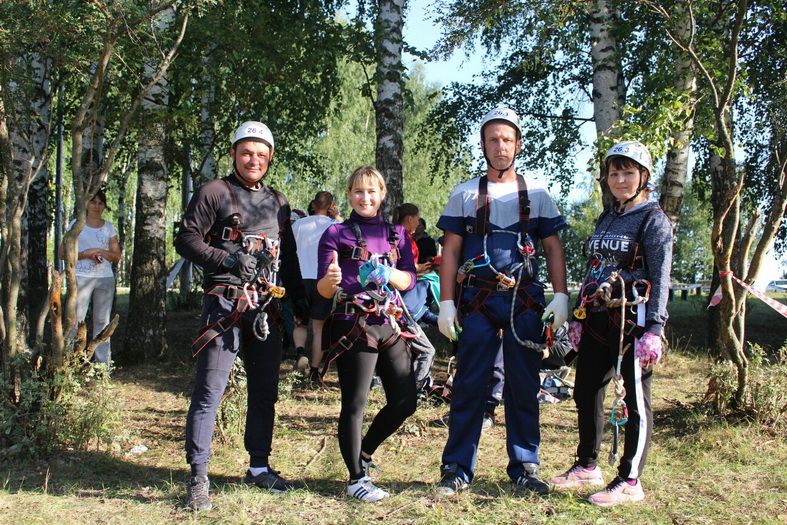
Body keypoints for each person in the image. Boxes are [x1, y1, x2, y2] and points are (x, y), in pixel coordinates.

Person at [174, 121, 308, 512]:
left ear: (269, 159)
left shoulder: (279, 202)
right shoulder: (215, 192)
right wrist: (227, 258)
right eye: (247, 152)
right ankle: (198, 476)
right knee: (208, 393)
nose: (254, 160)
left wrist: (301, 303)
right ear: (234, 153)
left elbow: (291, 257)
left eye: (261, 155)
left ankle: (259, 466)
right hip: (224, 307)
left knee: (265, 392)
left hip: (265, 310)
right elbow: (186, 238)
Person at [435, 107, 569, 496]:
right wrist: (446, 302)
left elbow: (554, 248)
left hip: (524, 302)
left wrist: (561, 295)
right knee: (470, 384)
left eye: (507, 139)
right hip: (476, 300)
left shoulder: (538, 194)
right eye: (492, 139)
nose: (500, 146)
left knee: (523, 385)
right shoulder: (463, 193)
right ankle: (457, 467)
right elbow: (451, 250)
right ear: (482, 145)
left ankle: (525, 465)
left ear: (518, 144)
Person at [550, 141, 672, 506]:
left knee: (635, 401)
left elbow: (662, 276)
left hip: (633, 322)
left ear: (644, 177)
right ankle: (587, 464)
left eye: (628, 172)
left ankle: (630, 479)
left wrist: (655, 328)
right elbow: (594, 269)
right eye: (614, 173)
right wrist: (576, 315)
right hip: (597, 319)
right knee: (585, 390)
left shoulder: (654, 220)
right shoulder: (608, 217)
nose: (620, 179)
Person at [316, 166, 418, 502]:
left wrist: (389, 271)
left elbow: (409, 280)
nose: (365, 198)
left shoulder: (397, 235)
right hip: (353, 323)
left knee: (405, 401)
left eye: (371, 191)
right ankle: (356, 480)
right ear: (349, 195)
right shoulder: (336, 233)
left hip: (389, 323)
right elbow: (325, 289)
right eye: (358, 192)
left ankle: (365, 453)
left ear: (382, 194)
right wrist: (332, 281)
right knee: (355, 403)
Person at [60, 189, 122, 365]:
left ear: (104, 206)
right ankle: (70, 364)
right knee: (76, 320)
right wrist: (85, 254)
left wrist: (101, 252)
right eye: (93, 202)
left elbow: (116, 256)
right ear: (86, 204)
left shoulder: (108, 228)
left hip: (104, 278)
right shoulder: (76, 225)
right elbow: (62, 253)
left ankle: (103, 367)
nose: (96, 206)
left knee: (103, 321)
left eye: (100, 203)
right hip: (81, 276)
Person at [292, 190, 340, 380]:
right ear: (330, 206)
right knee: (319, 328)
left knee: (300, 323)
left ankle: (300, 352)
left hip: (300, 278)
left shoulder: (298, 225)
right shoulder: (336, 226)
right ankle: (314, 371)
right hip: (324, 280)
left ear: (312, 205)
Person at [394, 203, 438, 392]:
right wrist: (418, 269)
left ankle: (408, 386)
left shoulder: (398, 235)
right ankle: (415, 389)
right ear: (410, 219)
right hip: (403, 302)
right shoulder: (404, 238)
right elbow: (402, 267)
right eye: (418, 218)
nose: (419, 222)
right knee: (425, 350)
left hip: (401, 301)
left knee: (409, 350)